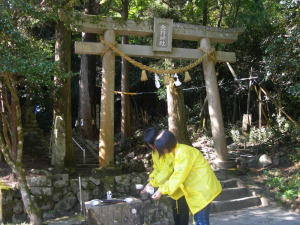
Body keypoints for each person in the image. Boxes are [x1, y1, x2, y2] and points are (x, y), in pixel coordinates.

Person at [152, 130, 222, 225]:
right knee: (198, 220)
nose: (160, 151)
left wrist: (161, 190)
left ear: (165, 146)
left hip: (202, 190)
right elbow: (173, 173)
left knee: (201, 221)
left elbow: (178, 176)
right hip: (198, 190)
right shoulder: (177, 152)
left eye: (160, 149)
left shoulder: (183, 153)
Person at [141, 128, 190, 225]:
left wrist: (153, 183)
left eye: (152, 143)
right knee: (175, 211)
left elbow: (167, 170)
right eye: (149, 144)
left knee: (182, 211)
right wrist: (151, 177)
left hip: (179, 185)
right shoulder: (154, 152)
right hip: (170, 187)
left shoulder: (167, 151)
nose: (151, 146)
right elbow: (157, 168)